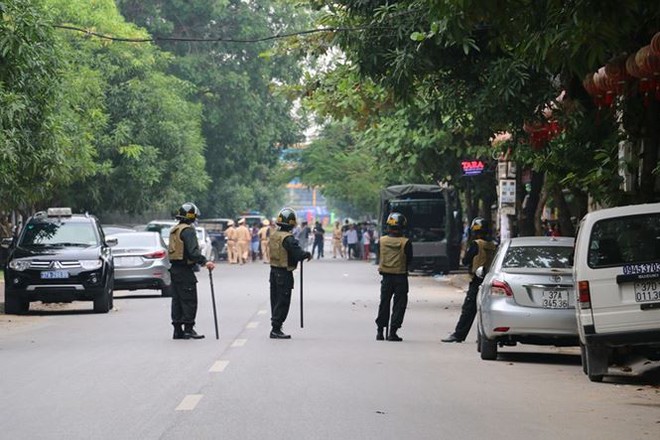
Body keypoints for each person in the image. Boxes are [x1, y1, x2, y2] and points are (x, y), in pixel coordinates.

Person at [442, 217, 497, 343]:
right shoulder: (493, 245)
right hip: (489, 281)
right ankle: (483, 336)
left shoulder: (476, 244)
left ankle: (458, 335)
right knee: (485, 310)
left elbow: (466, 260)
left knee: (468, 309)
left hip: (477, 280)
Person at [168, 202, 215, 340]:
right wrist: (206, 262)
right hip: (184, 270)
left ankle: (177, 330)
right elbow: (193, 252)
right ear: (192, 217)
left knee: (176, 300)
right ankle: (188, 329)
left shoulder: (174, 229)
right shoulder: (188, 230)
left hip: (174, 270)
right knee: (189, 300)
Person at [268, 207, 312, 339]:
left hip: (273, 271)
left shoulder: (274, 235)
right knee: (283, 301)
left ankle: (276, 327)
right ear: (292, 223)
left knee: (275, 300)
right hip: (284, 274)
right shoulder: (288, 238)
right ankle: (276, 328)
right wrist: (306, 254)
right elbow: (297, 254)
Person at [375, 212, 413, 342]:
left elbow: (378, 255)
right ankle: (393, 332)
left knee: (384, 303)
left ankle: (380, 332)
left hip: (386, 277)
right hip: (400, 277)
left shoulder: (382, 241)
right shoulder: (406, 242)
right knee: (399, 305)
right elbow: (409, 260)